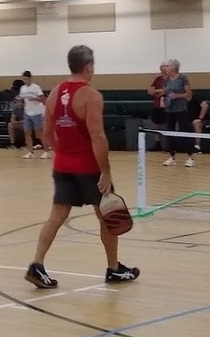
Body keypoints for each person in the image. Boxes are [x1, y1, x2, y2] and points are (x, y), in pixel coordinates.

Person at [25, 45, 139, 289]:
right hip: (89, 168)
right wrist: (106, 172)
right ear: (89, 66)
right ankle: (114, 269)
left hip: (63, 165)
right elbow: (97, 136)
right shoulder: (91, 96)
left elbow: (46, 133)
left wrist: (62, 153)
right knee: (108, 216)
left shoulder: (55, 93)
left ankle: (37, 264)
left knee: (56, 217)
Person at [161, 59, 195, 167]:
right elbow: (165, 92)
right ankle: (171, 157)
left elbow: (188, 94)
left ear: (174, 67)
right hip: (169, 109)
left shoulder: (183, 78)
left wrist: (177, 96)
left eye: (167, 66)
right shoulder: (166, 80)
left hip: (181, 109)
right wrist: (162, 99)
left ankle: (190, 157)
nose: (165, 68)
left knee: (184, 131)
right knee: (169, 132)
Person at [18, 71, 49, 160]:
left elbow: (41, 98)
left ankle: (46, 151)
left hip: (36, 112)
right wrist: (20, 101)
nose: (25, 81)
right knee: (27, 132)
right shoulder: (22, 88)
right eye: (24, 79)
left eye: (26, 79)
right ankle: (30, 151)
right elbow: (22, 99)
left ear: (30, 78)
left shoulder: (36, 87)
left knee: (38, 133)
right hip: (27, 112)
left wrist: (34, 98)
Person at [147, 62, 168, 154]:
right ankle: (157, 143)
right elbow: (150, 90)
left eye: (165, 66)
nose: (163, 68)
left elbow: (167, 90)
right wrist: (157, 91)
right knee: (156, 124)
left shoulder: (171, 79)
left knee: (167, 124)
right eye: (162, 66)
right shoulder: (158, 79)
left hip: (167, 105)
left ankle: (168, 144)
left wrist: (161, 91)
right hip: (157, 105)